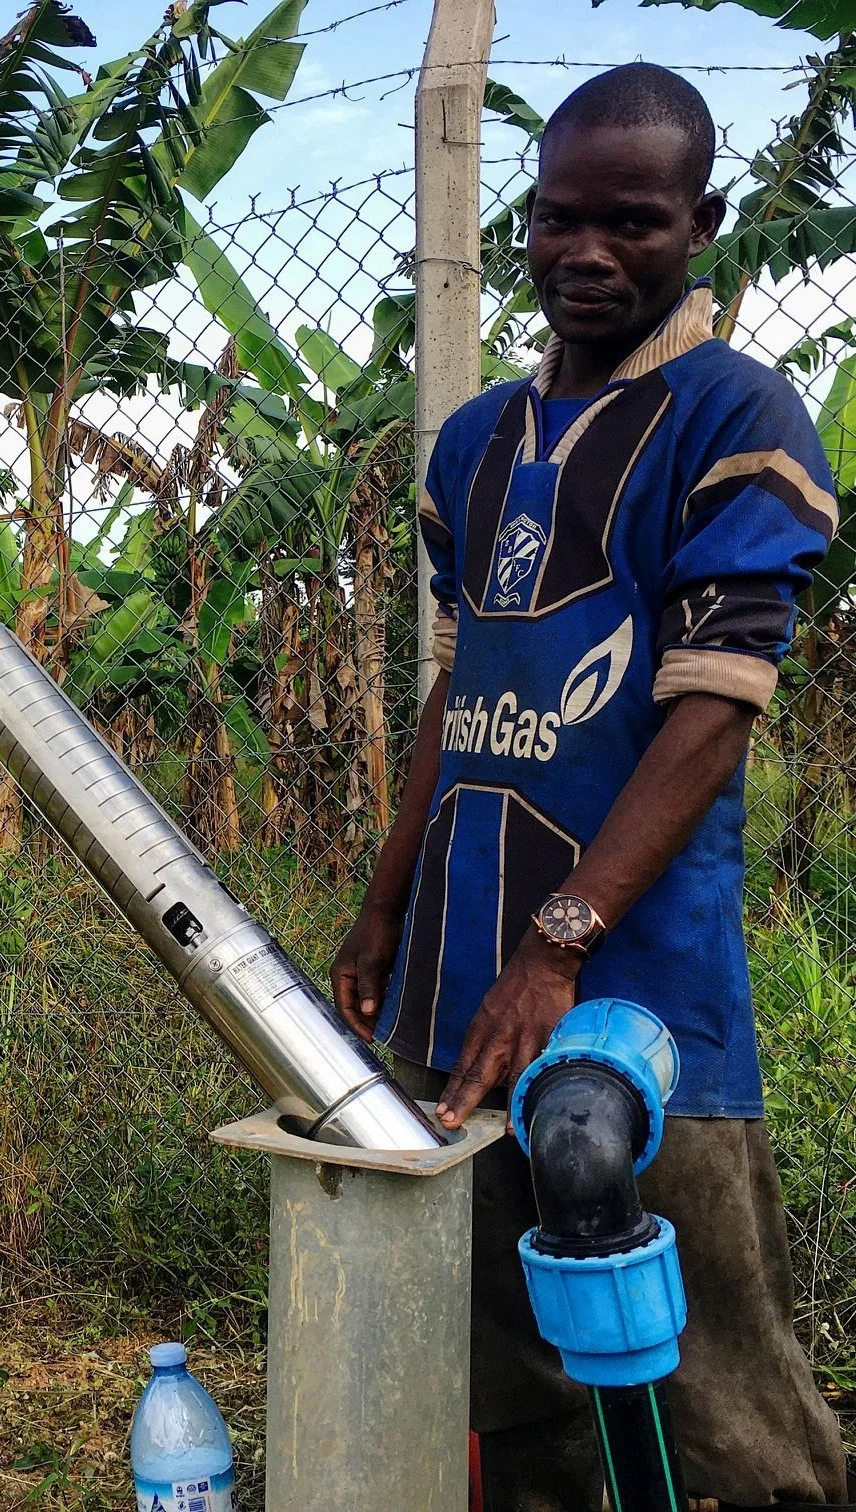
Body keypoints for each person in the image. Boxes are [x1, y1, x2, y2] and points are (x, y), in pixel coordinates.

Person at [330, 65, 848, 1510]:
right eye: (559, 219)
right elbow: (466, 684)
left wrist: (558, 946)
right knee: (505, 1353)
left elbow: (709, 718)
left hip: (635, 979)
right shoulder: (477, 438)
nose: (587, 253)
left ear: (704, 223)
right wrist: (384, 910)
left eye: (634, 221)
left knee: (691, 1353)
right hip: (453, 974)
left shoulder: (734, 417)